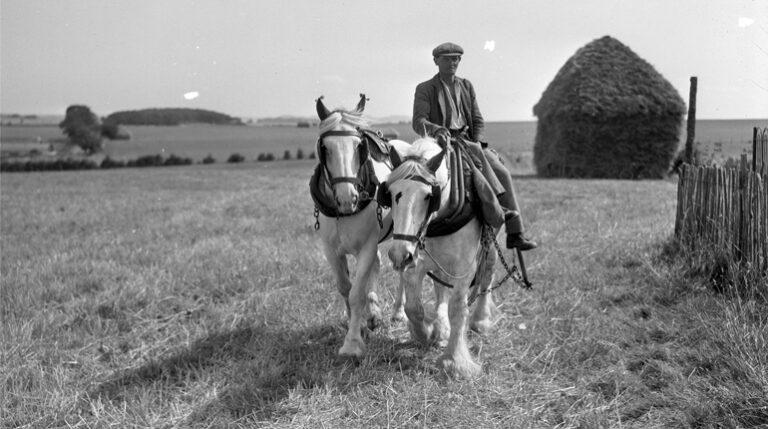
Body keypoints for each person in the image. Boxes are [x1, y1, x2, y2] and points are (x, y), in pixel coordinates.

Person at [413, 42, 537, 251]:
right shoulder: (425, 88)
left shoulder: (466, 85)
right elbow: (419, 121)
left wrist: (476, 139)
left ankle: (515, 233)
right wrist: (436, 130)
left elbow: (477, 119)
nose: (452, 63)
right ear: (436, 61)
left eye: (456, 59)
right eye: (447, 59)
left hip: (469, 141)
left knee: (503, 172)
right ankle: (495, 206)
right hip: (442, 143)